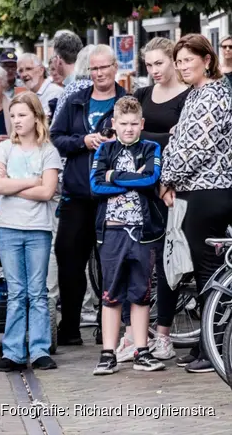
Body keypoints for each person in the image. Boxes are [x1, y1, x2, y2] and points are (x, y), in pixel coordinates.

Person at [161, 33, 232, 373]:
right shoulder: (198, 94)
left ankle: (212, 349)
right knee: (204, 270)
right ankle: (206, 344)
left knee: (208, 271)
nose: (182, 67)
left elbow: (195, 149)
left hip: (208, 191)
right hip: (198, 190)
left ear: (207, 59)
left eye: (188, 60)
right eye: (178, 62)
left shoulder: (211, 96)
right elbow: (181, 138)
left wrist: (167, 178)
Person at [116, 37, 190, 363]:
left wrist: (146, 138)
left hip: (172, 190)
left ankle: (163, 335)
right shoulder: (143, 95)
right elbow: (125, 132)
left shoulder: (188, 96)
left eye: (159, 63)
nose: (154, 70)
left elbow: (183, 141)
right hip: (142, 191)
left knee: (166, 262)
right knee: (137, 262)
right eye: (149, 64)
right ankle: (134, 333)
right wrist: (159, 137)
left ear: (174, 60)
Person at [51, 44, 127, 346]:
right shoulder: (75, 100)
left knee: (110, 262)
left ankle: (105, 327)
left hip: (114, 194)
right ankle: (69, 325)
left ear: (114, 68)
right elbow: (56, 137)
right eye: (94, 69)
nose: (99, 74)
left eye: (104, 67)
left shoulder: (127, 101)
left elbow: (138, 137)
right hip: (78, 192)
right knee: (68, 258)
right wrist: (83, 140)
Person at [90, 96, 166, 374]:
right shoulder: (104, 150)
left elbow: (150, 180)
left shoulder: (151, 147)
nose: (129, 129)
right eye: (123, 124)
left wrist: (114, 177)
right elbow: (95, 187)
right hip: (112, 230)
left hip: (143, 232)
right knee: (111, 293)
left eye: (134, 124)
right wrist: (126, 181)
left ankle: (141, 350)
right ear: (114, 124)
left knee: (141, 292)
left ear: (142, 123)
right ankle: (108, 353)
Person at [0, 92, 61, 372]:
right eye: (13, 116)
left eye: (22, 115)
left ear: (35, 117)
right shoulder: (5, 148)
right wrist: (31, 180)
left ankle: (40, 349)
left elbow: (47, 191)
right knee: (16, 292)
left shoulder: (48, 151)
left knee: (38, 292)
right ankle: (13, 351)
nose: (17, 121)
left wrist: (13, 183)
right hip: (8, 228)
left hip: (37, 229)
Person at [17, 53, 63, 117]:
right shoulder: (23, 96)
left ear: (41, 70)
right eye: (20, 71)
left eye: (29, 69)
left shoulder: (56, 93)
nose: (24, 74)